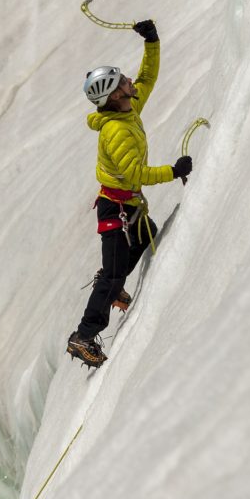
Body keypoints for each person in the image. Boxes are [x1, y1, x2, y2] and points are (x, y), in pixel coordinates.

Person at [66, 19, 193, 368]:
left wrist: (151, 41)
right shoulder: (116, 133)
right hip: (115, 209)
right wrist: (174, 171)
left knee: (145, 236)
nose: (129, 81)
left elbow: (147, 78)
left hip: (125, 205)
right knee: (113, 275)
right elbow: (135, 174)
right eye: (123, 81)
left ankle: (111, 283)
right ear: (114, 95)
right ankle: (84, 335)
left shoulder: (128, 107)